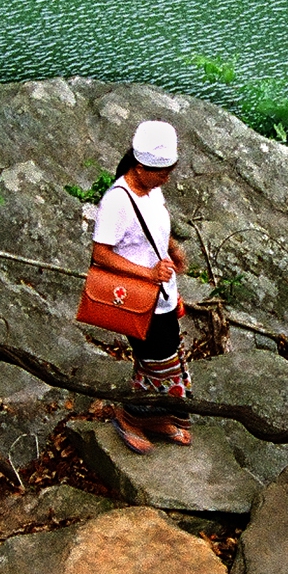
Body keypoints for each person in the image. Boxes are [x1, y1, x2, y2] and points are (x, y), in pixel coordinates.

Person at [91, 120, 191, 454]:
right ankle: (131, 415)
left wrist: (173, 250)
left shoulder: (152, 190)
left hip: (162, 292)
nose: (168, 178)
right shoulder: (117, 201)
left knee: (164, 353)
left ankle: (154, 415)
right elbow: (101, 255)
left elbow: (156, 229)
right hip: (137, 295)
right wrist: (147, 273)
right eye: (163, 172)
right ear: (139, 167)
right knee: (157, 359)